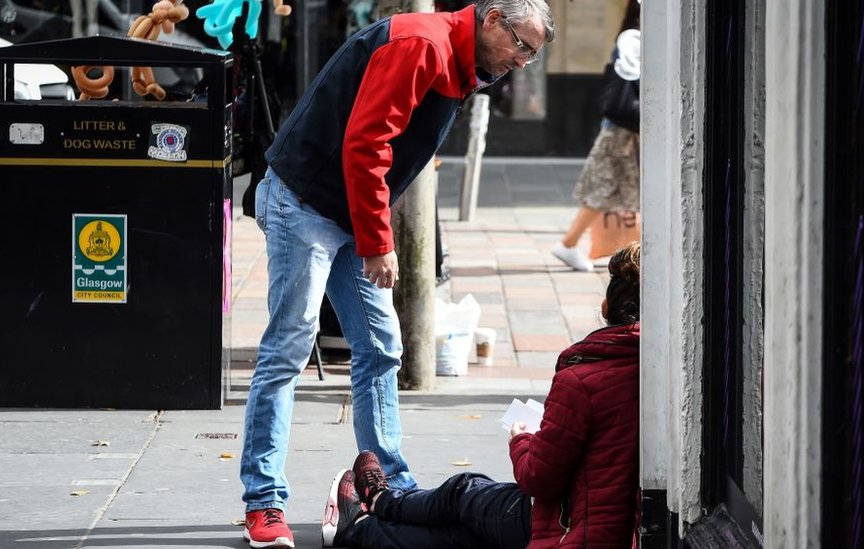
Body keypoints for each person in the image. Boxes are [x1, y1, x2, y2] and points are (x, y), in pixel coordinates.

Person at [239, 1, 555, 547]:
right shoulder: (422, 44)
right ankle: (264, 502)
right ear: (492, 18)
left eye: (532, 53)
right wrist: (378, 241)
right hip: (305, 201)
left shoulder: (464, 62)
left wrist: (369, 230)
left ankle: (390, 487)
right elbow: (366, 145)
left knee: (381, 346)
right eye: (521, 45)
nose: (523, 62)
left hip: (346, 209)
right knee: (288, 348)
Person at [322, 241, 642, 549]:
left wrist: (522, 438)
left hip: (568, 523)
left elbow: (538, 478)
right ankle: (360, 529)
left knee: (464, 492)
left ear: (604, 308)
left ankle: (381, 500)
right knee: (469, 533)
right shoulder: (655, 371)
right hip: (592, 518)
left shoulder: (582, 380)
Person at [552, 0, 641, 272]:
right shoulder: (634, 40)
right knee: (602, 190)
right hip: (622, 132)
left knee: (621, 192)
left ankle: (574, 245)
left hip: (624, 131)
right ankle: (568, 244)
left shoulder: (632, 38)